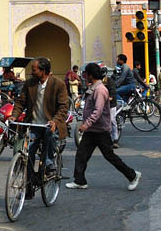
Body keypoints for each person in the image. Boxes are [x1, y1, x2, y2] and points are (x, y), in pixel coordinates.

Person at [66, 62, 141, 191]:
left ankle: (133, 175)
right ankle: (80, 181)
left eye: (86, 74)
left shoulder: (100, 90)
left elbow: (98, 110)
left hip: (100, 130)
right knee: (81, 155)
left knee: (110, 156)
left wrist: (86, 124)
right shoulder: (94, 87)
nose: (84, 76)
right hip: (92, 130)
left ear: (90, 75)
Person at [9, 57, 69, 173]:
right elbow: (21, 102)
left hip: (50, 124)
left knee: (50, 134)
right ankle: (29, 182)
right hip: (34, 125)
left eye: (34, 70)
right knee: (28, 153)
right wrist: (14, 115)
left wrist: (55, 121)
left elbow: (63, 107)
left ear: (43, 71)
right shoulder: (29, 84)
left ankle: (49, 163)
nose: (31, 72)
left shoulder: (58, 84)